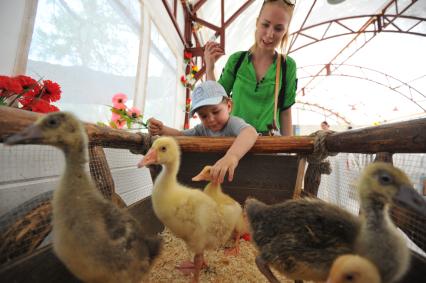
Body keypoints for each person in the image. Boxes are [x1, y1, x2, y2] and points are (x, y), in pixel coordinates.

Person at [204, 0, 297, 136]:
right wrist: (209, 68)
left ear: (285, 31)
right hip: (234, 139)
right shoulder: (236, 60)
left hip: (267, 146)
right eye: (265, 24)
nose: (270, 34)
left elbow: (285, 112)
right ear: (257, 22)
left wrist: (290, 153)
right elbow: (216, 101)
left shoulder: (287, 66)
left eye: (278, 28)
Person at [147, 80, 258, 184]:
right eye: (203, 116)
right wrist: (162, 130)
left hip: (242, 176)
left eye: (215, 111)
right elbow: (181, 135)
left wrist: (232, 156)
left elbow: (250, 132)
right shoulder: (202, 129)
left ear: (228, 106)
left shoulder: (233, 123)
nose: (210, 119)